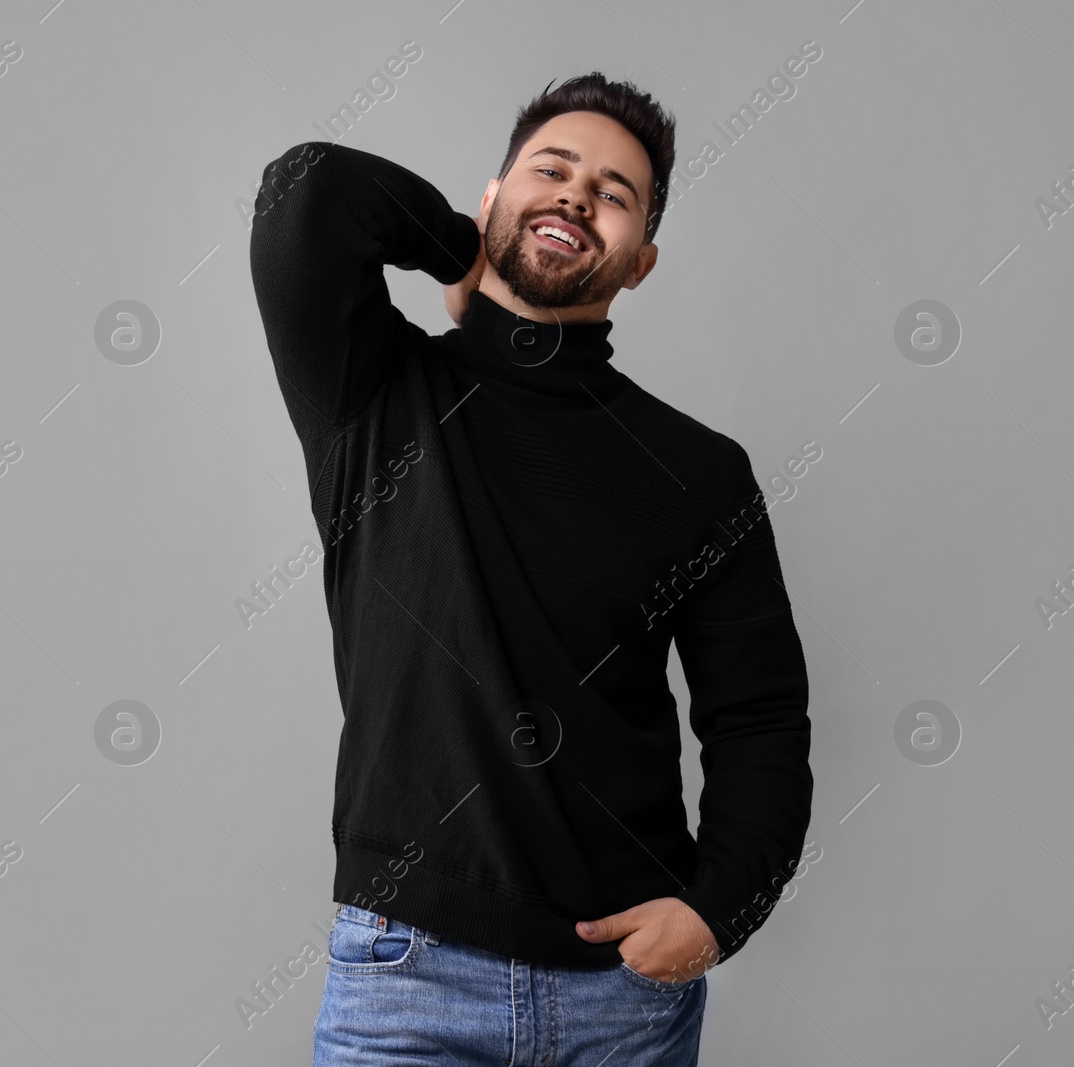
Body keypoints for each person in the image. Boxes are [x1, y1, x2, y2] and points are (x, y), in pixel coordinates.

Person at [248, 71, 813, 1066]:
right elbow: (308, 189)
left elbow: (758, 716)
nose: (575, 197)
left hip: (623, 1005)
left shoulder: (698, 470)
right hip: (406, 981)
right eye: (550, 172)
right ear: (494, 195)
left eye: (613, 193)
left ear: (638, 261)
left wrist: (722, 907)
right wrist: (459, 252)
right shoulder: (374, 393)